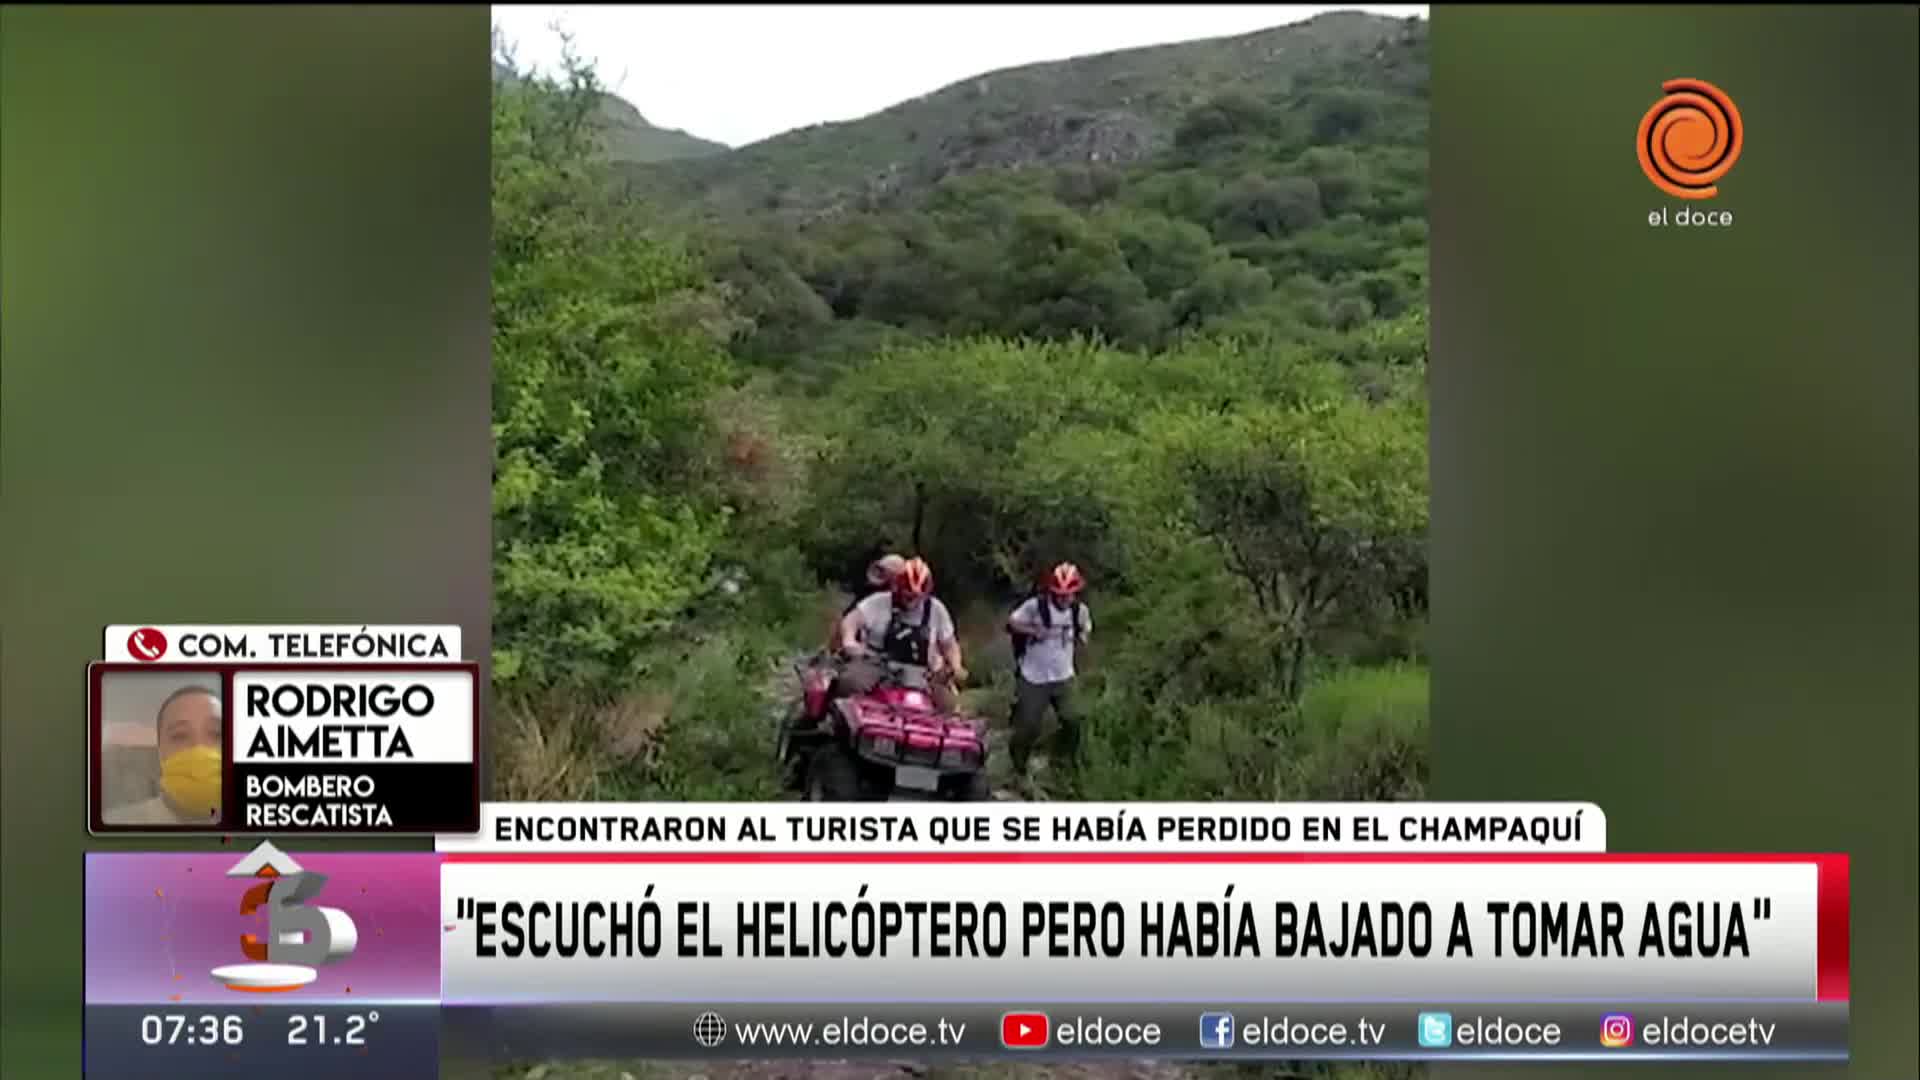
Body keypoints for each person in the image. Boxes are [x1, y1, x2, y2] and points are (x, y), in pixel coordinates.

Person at [835, 556, 966, 711]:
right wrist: (849, 641)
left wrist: (956, 666)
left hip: (924, 673)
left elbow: (949, 644)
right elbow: (851, 621)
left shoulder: (936, 610)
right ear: (898, 587)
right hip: (876, 664)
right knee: (848, 683)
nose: (911, 599)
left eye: (917, 596)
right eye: (907, 594)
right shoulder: (879, 602)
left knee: (949, 707)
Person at [1007, 562, 1092, 785]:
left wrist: (1081, 638)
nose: (1064, 599)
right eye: (1060, 595)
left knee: (1073, 721)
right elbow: (1012, 622)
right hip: (1033, 676)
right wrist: (1034, 630)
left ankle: (1061, 765)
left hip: (1064, 676)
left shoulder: (1080, 612)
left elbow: (1085, 633)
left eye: (1069, 595)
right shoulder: (1035, 607)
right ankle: (1017, 768)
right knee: (1028, 726)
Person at [110, 685, 224, 826]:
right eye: (180, 736)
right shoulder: (117, 823)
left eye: (217, 734)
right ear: (160, 753)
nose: (199, 748)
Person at [825, 553, 905, 653]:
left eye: (884, 571)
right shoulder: (869, 594)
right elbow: (847, 620)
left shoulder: (895, 600)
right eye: (879, 569)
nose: (879, 573)